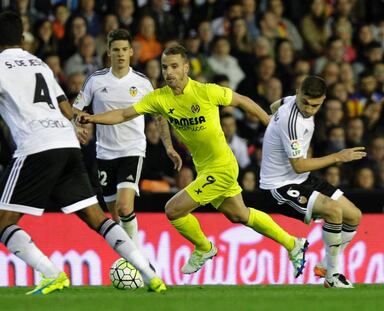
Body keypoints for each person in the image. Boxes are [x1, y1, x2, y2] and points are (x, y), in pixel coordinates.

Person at [80, 44, 309, 278]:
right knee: (240, 214)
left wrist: (267, 121)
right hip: (205, 168)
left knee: (173, 210)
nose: (168, 72)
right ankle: (293, 244)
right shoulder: (160, 98)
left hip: (222, 167)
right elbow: (122, 114)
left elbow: (241, 100)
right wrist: (92, 118)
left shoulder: (206, 91)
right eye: (165, 67)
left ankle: (204, 247)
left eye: (174, 66)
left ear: (186, 68)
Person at [0, 11, 166, 295]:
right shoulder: (38, 63)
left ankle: (51, 274)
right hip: (67, 143)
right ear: (22, 38)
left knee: (3, 223)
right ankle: (150, 274)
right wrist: (81, 123)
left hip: (36, 145)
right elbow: (66, 107)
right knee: (97, 217)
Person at [261, 76, 365, 288]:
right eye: (305, 102)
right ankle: (333, 276)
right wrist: (338, 157)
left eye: (315, 105)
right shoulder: (292, 123)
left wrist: (271, 127)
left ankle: (326, 264)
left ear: (324, 100)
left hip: (301, 178)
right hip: (279, 185)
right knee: (334, 211)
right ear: (299, 92)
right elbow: (299, 164)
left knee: (354, 215)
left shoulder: (290, 100)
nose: (308, 109)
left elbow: (274, 105)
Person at [73, 29, 167, 250]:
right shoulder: (95, 81)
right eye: (116, 50)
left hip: (132, 150)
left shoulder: (142, 82)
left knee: (125, 208)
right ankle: (135, 261)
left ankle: (138, 259)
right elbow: (76, 109)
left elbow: (159, 116)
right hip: (104, 153)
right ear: (109, 52)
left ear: (131, 52)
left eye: (125, 49)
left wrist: (169, 146)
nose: (121, 54)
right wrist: (75, 127)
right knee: (117, 219)